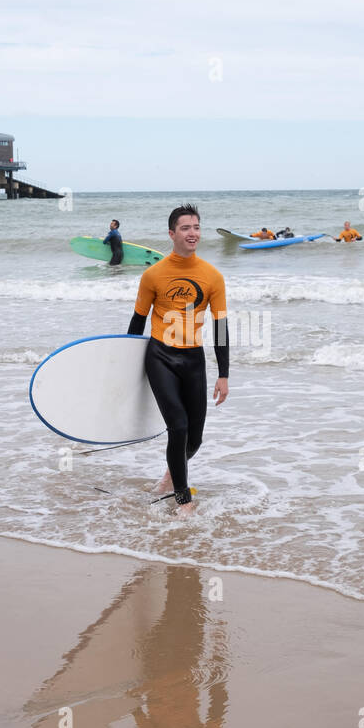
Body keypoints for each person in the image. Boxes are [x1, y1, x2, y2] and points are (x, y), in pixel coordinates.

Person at [128, 204, 229, 517]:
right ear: (172, 234)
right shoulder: (153, 275)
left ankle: (173, 473)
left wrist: (223, 374)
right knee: (179, 426)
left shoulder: (212, 276)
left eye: (196, 227)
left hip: (193, 359)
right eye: (185, 228)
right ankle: (183, 501)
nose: (193, 233)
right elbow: (137, 322)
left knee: (194, 437)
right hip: (160, 356)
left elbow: (221, 327)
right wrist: (126, 369)